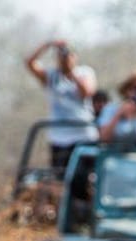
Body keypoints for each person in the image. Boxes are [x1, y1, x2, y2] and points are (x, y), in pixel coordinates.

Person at [25, 40, 98, 172]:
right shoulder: (51, 76)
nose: (65, 59)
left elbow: (87, 92)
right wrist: (48, 45)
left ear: (75, 57)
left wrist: (72, 74)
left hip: (83, 134)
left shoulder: (85, 72)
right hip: (59, 137)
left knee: (83, 175)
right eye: (61, 56)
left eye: (68, 55)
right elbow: (29, 62)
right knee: (59, 175)